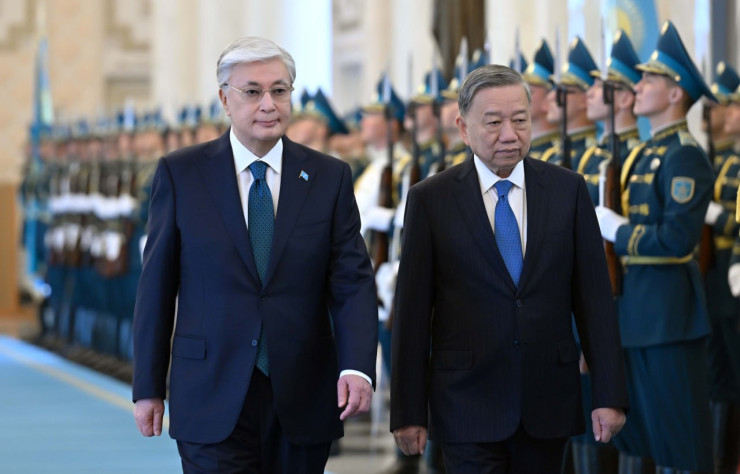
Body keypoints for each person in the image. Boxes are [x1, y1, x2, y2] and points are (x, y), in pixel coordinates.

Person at [132, 36, 378, 473]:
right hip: (210, 389)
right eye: (252, 91)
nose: (269, 104)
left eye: (279, 91)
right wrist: (148, 385)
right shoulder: (182, 173)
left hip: (302, 393)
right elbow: (156, 287)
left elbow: (352, 282)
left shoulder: (329, 177)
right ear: (225, 99)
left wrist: (357, 367)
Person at [390, 64, 628, 473]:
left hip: (547, 400)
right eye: (494, 122)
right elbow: (412, 313)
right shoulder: (431, 199)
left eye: (520, 120)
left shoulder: (567, 190)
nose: (509, 134)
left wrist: (609, 394)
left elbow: (594, 301)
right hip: (465, 401)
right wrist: (408, 410)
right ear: (464, 129)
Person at [595, 21, 716, 473]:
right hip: (635, 314)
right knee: (644, 436)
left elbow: (677, 240)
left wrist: (619, 231)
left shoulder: (685, 155)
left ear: (675, 93)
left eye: (650, 79)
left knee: (679, 439)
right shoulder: (643, 153)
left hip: (669, 317)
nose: (639, 86)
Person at [702, 61, 740, 474]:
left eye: (724, 106)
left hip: (733, 276)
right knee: (717, 374)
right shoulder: (712, 160)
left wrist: (718, 217)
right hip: (713, 276)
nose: (714, 115)